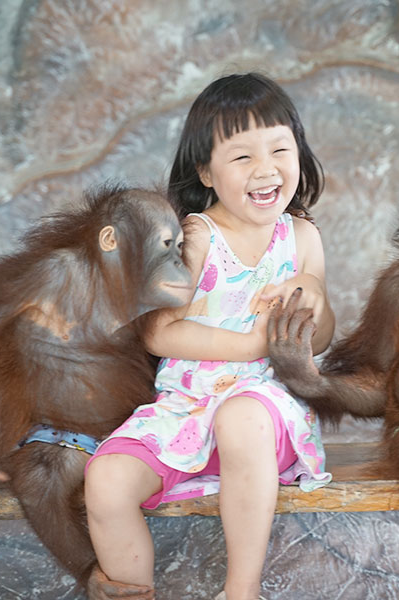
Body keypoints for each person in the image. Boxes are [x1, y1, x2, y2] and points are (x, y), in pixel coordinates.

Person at [84, 72, 335, 600]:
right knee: (105, 478)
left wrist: (312, 296)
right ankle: (131, 589)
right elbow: (159, 331)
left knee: (240, 416)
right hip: (187, 409)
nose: (265, 169)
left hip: (266, 412)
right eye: (242, 157)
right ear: (206, 170)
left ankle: (241, 591)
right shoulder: (197, 236)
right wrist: (251, 344)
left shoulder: (302, 237)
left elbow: (322, 339)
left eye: (279, 150)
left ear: (299, 154)